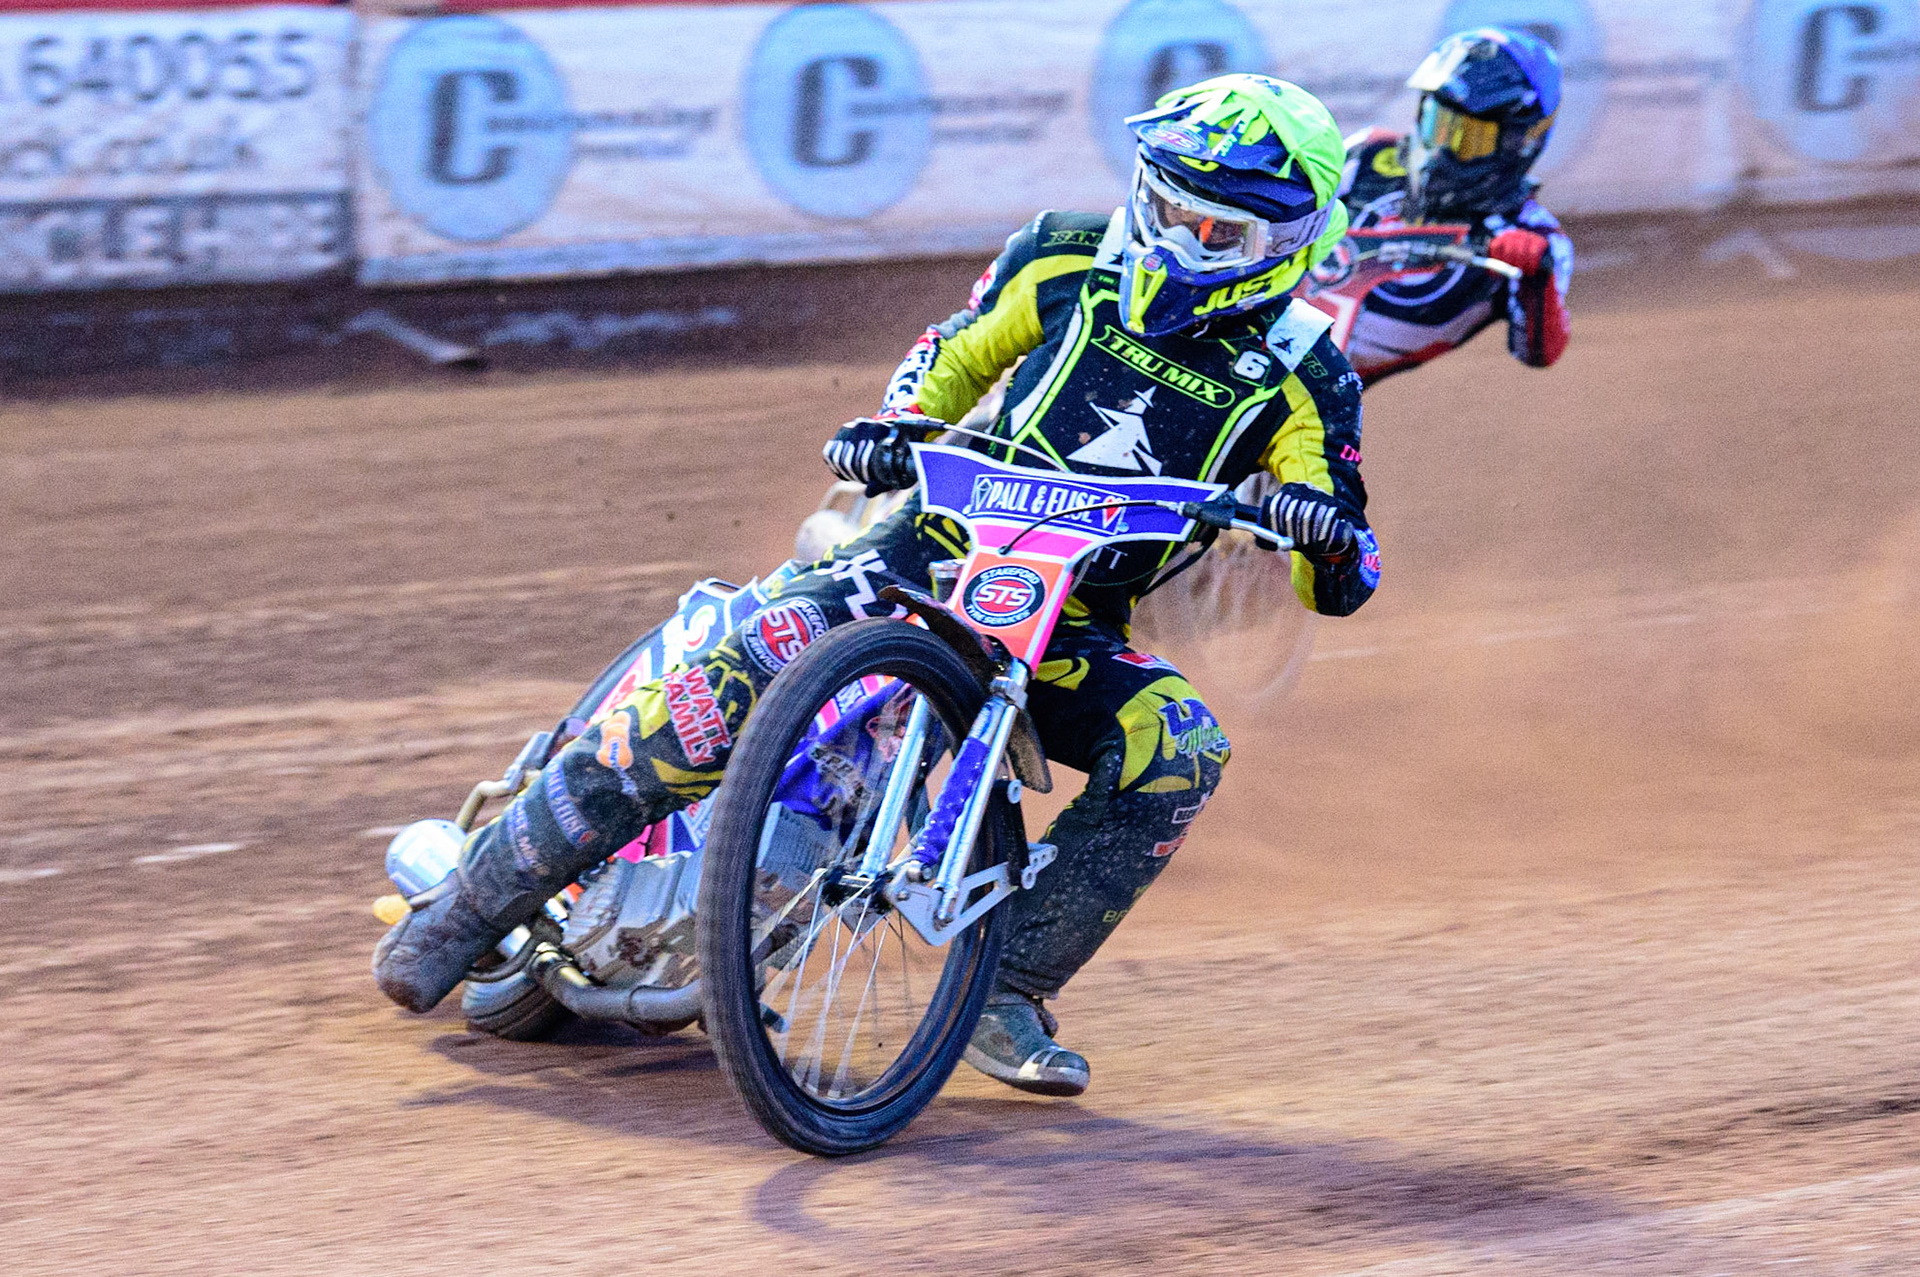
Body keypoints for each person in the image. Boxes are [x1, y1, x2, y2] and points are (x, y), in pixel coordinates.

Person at [374, 74, 1381, 1098]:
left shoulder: (1306, 372)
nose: (1182, 237)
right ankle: (475, 895)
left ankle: (1009, 985)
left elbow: (1334, 564)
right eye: (1168, 204)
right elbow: (957, 345)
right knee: (727, 669)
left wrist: (1327, 535)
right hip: (924, 552)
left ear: (1290, 239)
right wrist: (898, 425)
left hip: (1071, 623)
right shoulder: (1066, 254)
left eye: (1218, 229)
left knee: (1185, 746)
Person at [1335, 27, 1572, 385]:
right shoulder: (1367, 154)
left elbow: (1538, 353)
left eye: (1469, 138)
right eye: (1438, 125)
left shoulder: (1534, 237)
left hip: (1324, 390)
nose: (1441, 151)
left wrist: (1537, 278)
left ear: (1521, 141)